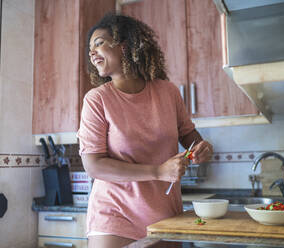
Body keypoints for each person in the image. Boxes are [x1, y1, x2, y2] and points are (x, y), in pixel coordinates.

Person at [77, 13, 213, 248]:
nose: (91, 53)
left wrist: (201, 148)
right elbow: (94, 165)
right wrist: (158, 171)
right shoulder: (97, 100)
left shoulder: (168, 92)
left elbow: (190, 137)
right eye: (90, 48)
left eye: (98, 43)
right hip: (114, 215)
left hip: (165, 216)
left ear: (124, 46)